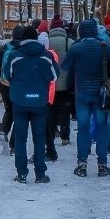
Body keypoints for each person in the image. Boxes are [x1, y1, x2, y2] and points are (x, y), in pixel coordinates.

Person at [60, 19, 110, 177]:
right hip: (101, 94)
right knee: (102, 128)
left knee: (83, 128)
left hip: (82, 94)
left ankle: (82, 164)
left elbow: (65, 67)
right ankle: (102, 165)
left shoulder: (76, 48)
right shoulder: (104, 47)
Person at [3, 26, 59, 183]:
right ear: (36, 38)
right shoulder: (47, 56)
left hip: (20, 101)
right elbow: (55, 75)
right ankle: (40, 173)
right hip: (39, 101)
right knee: (39, 138)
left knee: (20, 138)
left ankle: (21, 173)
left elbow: (7, 75)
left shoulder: (15, 55)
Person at [0, 25, 26, 154]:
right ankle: (14, 146)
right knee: (19, 112)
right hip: (19, 85)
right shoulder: (24, 49)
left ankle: (3, 130)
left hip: (4, 83)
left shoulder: (5, 48)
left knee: (9, 108)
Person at [47, 18, 74, 148]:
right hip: (65, 83)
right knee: (65, 110)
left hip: (50, 83)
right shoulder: (68, 42)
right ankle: (65, 136)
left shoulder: (46, 43)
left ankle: (52, 132)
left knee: (51, 110)